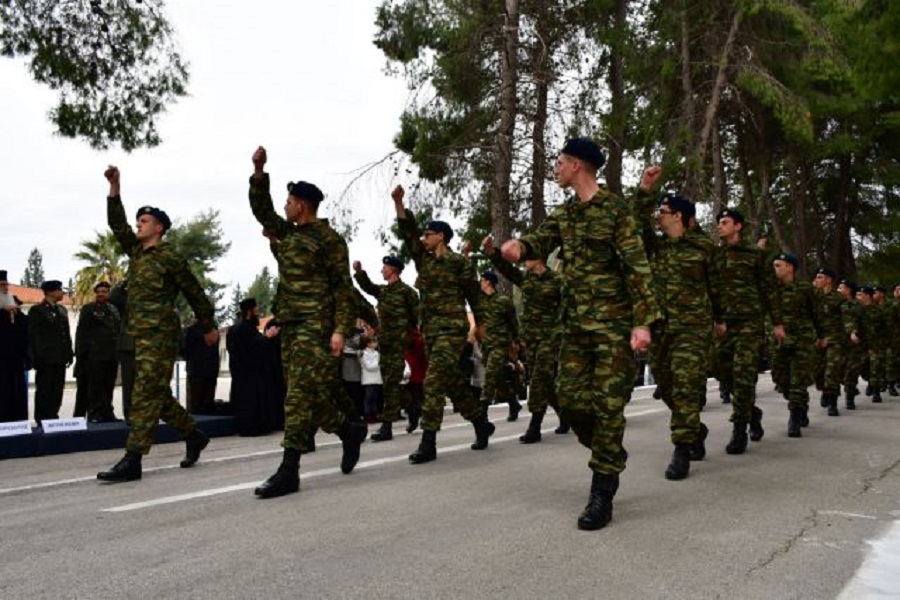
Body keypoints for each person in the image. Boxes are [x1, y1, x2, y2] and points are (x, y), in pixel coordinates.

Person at [500, 137, 661, 531]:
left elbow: (637, 268)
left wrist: (642, 323)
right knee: (569, 401)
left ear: (577, 165)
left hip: (612, 327)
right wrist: (518, 247)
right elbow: (541, 239)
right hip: (574, 327)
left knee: (607, 407)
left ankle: (602, 490)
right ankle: (610, 451)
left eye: (560, 162)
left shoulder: (616, 211)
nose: (555, 168)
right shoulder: (566, 213)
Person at [247, 146, 367, 499]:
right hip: (290, 326)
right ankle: (347, 429)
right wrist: (258, 170)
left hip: (316, 326)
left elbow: (344, 289)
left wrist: (340, 329)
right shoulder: (289, 234)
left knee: (298, 397)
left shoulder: (329, 240)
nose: (285, 206)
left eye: (289, 201)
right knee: (307, 395)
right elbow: (261, 210)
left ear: (303, 204)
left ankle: (289, 471)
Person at [96, 166, 218, 483]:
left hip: (161, 335)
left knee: (144, 396)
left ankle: (133, 459)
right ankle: (194, 436)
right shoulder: (136, 253)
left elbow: (194, 291)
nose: (138, 225)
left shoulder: (170, 258)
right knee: (157, 396)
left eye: (145, 221)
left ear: (159, 228)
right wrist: (115, 188)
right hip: (137, 334)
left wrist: (208, 325)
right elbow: (116, 223)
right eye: (138, 221)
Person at [391, 184, 494, 464]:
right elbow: (407, 231)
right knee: (452, 385)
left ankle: (428, 442)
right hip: (432, 333)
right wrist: (399, 203)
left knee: (433, 382)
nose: (423, 237)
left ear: (441, 237)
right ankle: (481, 423)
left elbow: (474, 295)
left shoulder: (459, 265)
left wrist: (481, 325)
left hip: (452, 329)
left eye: (428, 234)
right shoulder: (423, 261)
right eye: (423, 234)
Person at [645, 192, 721, 479]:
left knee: (687, 384)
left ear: (678, 216)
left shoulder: (703, 247)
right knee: (666, 386)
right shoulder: (655, 246)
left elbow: (716, 286)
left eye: (663, 211)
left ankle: (682, 448)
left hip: (693, 327)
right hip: (661, 328)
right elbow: (637, 220)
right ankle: (695, 429)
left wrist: (721, 320)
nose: (658, 215)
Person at [484, 235, 566, 442]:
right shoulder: (526, 279)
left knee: (539, 379)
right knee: (542, 380)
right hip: (531, 338)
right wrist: (492, 252)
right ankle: (564, 415)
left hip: (550, 338)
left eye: (527, 256)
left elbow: (569, 308)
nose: (523, 260)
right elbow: (506, 269)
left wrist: (562, 333)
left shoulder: (558, 281)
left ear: (538, 258)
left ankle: (534, 427)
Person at [714, 207, 782, 454]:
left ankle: (739, 429)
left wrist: (777, 323)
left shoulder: (755, 255)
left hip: (749, 324)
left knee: (743, 375)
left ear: (738, 226)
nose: (720, 226)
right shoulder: (715, 255)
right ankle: (752, 412)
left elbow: (769, 290)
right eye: (719, 222)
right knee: (723, 372)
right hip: (723, 325)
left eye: (725, 222)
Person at [353, 255, 419, 441]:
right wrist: (359, 273)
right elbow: (369, 287)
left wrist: (407, 335)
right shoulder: (383, 292)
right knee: (390, 382)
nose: (382, 270)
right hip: (386, 342)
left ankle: (387, 427)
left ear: (393, 270)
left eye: (385, 267)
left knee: (390, 383)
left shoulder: (408, 292)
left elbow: (416, 317)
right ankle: (413, 408)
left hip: (399, 343)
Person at [770, 252, 823, 436]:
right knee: (780, 378)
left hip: (802, 340)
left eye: (778, 265)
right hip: (780, 342)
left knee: (797, 381)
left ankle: (794, 417)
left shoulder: (805, 288)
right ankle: (801, 403)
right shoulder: (771, 289)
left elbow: (816, 313)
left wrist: (821, 335)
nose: (774, 269)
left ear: (790, 267)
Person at [227, 297, 281, 436]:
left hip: (240, 375)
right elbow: (255, 350)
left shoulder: (235, 329)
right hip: (251, 376)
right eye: (256, 311)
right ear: (250, 312)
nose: (258, 314)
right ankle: (255, 428)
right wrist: (268, 337)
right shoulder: (245, 330)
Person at [476, 269, 521, 421]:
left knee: (490, 376)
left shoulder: (503, 301)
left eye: (481, 280)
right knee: (497, 378)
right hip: (487, 346)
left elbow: (513, 324)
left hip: (500, 345)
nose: (480, 283)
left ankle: (482, 411)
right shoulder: (480, 301)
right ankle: (513, 402)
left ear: (488, 281)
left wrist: (516, 342)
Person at [74, 281, 122, 422]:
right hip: (95, 355)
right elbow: (82, 332)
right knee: (95, 387)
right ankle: (94, 414)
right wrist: (81, 354)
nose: (101, 294)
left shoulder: (113, 309)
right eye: (99, 291)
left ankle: (107, 412)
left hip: (111, 354)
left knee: (108, 386)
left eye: (105, 291)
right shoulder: (89, 309)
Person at [28, 279, 74, 426]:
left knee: (57, 389)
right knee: (44, 389)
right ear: (50, 292)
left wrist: (69, 353)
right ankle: (42, 418)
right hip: (46, 358)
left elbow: (66, 334)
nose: (62, 293)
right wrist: (36, 357)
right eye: (59, 290)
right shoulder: (37, 311)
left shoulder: (62, 310)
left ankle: (53, 416)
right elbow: (34, 336)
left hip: (60, 357)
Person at [812, 267, 852, 416]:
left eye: (820, 277)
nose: (817, 280)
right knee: (818, 373)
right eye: (816, 277)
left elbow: (846, 317)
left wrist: (851, 331)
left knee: (832, 371)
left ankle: (833, 403)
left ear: (829, 280)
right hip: (816, 340)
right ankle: (825, 391)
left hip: (835, 340)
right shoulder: (812, 297)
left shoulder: (838, 298)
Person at [0, 270, 29, 422]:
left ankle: (16, 422)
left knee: (16, 391)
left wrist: (16, 315)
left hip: (15, 359)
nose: (5, 288)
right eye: (2, 285)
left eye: (6, 284)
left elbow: (25, 329)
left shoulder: (14, 306)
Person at [108, 280, 136, 421]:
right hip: (129, 346)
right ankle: (130, 414)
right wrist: (126, 280)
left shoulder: (150, 299)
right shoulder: (124, 300)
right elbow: (113, 298)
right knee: (129, 382)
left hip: (149, 346)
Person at [183, 314, 222, 415]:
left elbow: (185, 351)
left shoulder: (191, 331)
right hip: (211, 371)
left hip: (196, 371)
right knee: (208, 403)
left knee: (195, 405)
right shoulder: (214, 330)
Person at [838, 279, 866, 410]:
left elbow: (860, 323)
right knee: (837, 371)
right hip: (837, 342)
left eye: (841, 287)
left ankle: (850, 397)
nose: (838, 289)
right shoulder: (835, 303)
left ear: (849, 290)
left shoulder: (857, 306)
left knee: (852, 372)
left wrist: (854, 333)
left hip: (854, 344)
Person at [359, 335, 383, 423]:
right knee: (368, 398)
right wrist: (377, 363)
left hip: (376, 378)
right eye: (373, 342)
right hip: (368, 379)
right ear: (368, 344)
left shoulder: (376, 353)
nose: (376, 344)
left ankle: (374, 414)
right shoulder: (364, 354)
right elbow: (369, 366)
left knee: (374, 398)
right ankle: (367, 414)